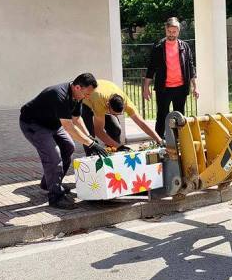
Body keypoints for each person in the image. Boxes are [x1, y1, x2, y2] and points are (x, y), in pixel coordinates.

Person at [19, 73, 109, 209]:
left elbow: (77, 119)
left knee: (68, 147)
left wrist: (90, 138)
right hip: (33, 124)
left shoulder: (78, 96)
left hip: (53, 124)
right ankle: (56, 197)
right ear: (78, 87)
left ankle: (49, 183)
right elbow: (68, 126)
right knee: (53, 157)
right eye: (87, 94)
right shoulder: (59, 94)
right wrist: (90, 144)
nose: (88, 97)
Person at [142, 17, 199, 137]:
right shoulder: (158, 47)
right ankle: (158, 142)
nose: (171, 34)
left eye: (174, 32)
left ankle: (180, 141)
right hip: (164, 89)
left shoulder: (184, 46)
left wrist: (195, 86)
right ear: (165, 30)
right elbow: (151, 67)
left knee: (179, 116)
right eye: (169, 31)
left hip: (180, 88)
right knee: (161, 116)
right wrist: (146, 87)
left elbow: (190, 66)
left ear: (178, 31)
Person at [81, 79, 163, 153]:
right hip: (86, 102)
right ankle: (92, 158)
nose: (115, 116)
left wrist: (159, 140)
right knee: (89, 135)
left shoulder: (127, 103)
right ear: (107, 105)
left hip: (103, 96)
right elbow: (98, 130)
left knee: (115, 128)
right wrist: (119, 146)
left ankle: (112, 153)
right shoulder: (99, 101)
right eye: (113, 114)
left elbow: (142, 123)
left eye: (118, 114)